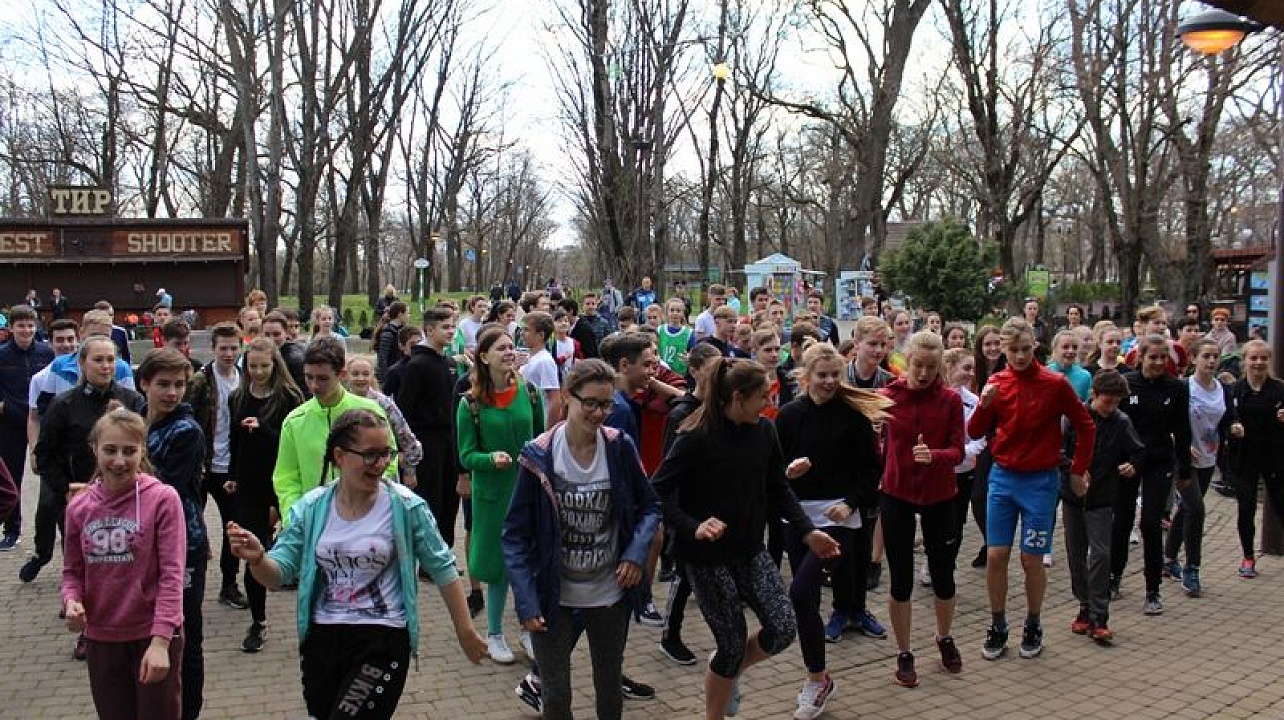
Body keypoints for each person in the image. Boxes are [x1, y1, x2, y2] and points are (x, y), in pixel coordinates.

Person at [226, 409, 488, 720]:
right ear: (340, 455)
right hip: (322, 640)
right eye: (370, 455)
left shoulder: (405, 506)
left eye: (386, 454)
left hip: (382, 639)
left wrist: (465, 631)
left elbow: (443, 568)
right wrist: (258, 559)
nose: (381, 464)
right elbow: (277, 575)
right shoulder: (310, 508)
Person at [651, 358, 840, 720]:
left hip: (750, 549)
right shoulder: (696, 437)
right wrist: (693, 525)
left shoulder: (764, 432)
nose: (768, 404)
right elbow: (656, 491)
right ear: (737, 398)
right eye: (762, 397)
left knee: (783, 627)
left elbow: (778, 486)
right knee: (732, 643)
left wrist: (807, 530)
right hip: (706, 558)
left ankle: (727, 669)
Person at [502, 359, 662, 720]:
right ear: (567, 399)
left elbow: (650, 505)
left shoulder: (619, 446)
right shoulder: (538, 455)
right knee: (556, 695)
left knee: (609, 687)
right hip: (552, 596)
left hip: (609, 591)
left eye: (606, 404)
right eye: (590, 402)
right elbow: (514, 535)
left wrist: (636, 553)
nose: (598, 413)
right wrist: (526, 602)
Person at [968, 317, 1094, 661]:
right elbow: (975, 431)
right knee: (996, 555)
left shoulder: (1055, 384)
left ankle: (1034, 622)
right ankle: (997, 623)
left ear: (1034, 347)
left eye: (1026, 350)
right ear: (1003, 350)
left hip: (1040, 481)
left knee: (1031, 559)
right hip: (1003, 477)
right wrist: (985, 403)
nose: (1020, 357)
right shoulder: (997, 381)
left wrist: (1078, 470)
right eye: (1013, 351)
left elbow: (1085, 425)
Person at [776, 341, 888, 717]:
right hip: (798, 516)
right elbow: (775, 471)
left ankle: (815, 680)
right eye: (821, 375)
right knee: (804, 600)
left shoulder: (853, 415)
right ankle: (818, 678)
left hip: (840, 519)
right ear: (805, 376)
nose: (827, 382)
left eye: (834, 375)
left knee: (801, 589)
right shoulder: (789, 415)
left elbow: (871, 470)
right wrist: (789, 473)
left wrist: (850, 503)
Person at [62, 407, 187, 720]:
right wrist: (72, 600)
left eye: (130, 451)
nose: (119, 461)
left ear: (142, 450)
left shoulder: (163, 499)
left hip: (151, 633)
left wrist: (160, 642)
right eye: (110, 450)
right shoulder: (79, 506)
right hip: (102, 637)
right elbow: (72, 571)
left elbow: (172, 575)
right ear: (94, 450)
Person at [23, 336, 145, 589]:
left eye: (110, 359)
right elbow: (44, 456)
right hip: (80, 495)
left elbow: (145, 448)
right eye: (98, 359)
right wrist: (66, 488)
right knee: (82, 555)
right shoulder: (63, 404)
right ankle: (77, 597)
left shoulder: (132, 400)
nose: (105, 366)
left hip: (125, 494)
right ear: (82, 363)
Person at [879, 332, 965, 687]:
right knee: (901, 579)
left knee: (943, 576)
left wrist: (937, 456)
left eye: (932, 367)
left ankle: (944, 637)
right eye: (918, 365)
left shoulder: (949, 400)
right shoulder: (886, 397)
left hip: (940, 495)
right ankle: (904, 651)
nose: (924, 373)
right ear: (906, 361)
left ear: (940, 366)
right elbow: (869, 444)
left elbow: (959, 450)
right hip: (897, 492)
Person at [456, 325, 544, 664]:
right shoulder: (470, 404)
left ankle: (528, 628)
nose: (510, 352)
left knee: (529, 562)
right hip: (492, 495)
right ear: (483, 356)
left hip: (527, 491)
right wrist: (489, 459)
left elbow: (541, 440)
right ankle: (493, 633)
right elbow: (465, 455)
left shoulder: (531, 393)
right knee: (497, 568)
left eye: (512, 346)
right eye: (501, 348)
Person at [138, 349, 208, 720]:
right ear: (144, 384)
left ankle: (188, 710)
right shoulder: (136, 423)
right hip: (139, 544)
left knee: (186, 633)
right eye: (163, 384)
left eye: (179, 385)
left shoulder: (186, 431)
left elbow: (165, 488)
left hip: (185, 542)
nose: (172, 392)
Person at [227, 337, 303, 652]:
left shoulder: (289, 397)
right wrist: (232, 474)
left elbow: (294, 443)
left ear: (275, 365)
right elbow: (234, 439)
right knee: (251, 552)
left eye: (264, 366)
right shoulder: (238, 396)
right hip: (250, 484)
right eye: (252, 366)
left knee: (297, 547)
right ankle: (258, 621)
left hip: (282, 481)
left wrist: (263, 430)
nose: (258, 372)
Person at [1061, 370, 1145, 645]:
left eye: (1116, 402)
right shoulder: (1073, 418)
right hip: (1074, 497)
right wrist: (1074, 470)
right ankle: (1084, 605)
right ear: (1094, 395)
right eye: (1106, 401)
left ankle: (1100, 614)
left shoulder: (1121, 422)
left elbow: (1138, 451)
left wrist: (1132, 465)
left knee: (1100, 554)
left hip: (1102, 498)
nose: (1111, 407)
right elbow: (1058, 450)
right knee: (1076, 554)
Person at [1112, 334, 1191, 615]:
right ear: (1141, 357)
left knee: (1150, 524)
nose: (1158, 362)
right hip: (1128, 462)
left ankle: (1153, 589)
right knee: (1121, 522)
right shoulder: (1126, 383)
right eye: (1152, 357)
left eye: (1163, 357)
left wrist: (1185, 468)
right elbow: (1113, 426)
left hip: (1159, 461)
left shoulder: (1177, 389)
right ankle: (1114, 577)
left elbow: (1182, 431)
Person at [274, 337, 392, 522]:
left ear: (342, 374)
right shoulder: (294, 421)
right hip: (313, 521)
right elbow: (286, 478)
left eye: (323, 378)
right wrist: (294, 518)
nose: (313, 385)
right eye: (309, 377)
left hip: (365, 517)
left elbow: (388, 462)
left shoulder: (370, 411)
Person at [658, 343, 723, 666]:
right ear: (695, 371)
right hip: (686, 508)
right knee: (684, 573)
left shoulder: (721, 408)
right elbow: (669, 467)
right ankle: (670, 634)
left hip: (712, 502)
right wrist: (675, 516)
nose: (718, 379)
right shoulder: (681, 413)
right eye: (712, 372)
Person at [1162, 339, 1233, 598]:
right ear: (1194, 359)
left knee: (1187, 509)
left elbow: (1227, 419)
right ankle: (1192, 568)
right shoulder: (1184, 388)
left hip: (1209, 457)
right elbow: (1166, 422)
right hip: (1185, 459)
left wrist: (1234, 428)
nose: (1211, 361)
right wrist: (1179, 443)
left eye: (1215, 356)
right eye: (1206, 356)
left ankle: (1168, 559)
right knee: (1197, 510)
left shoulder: (1222, 389)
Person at [184, 322, 248, 610]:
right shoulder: (200, 381)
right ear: (213, 348)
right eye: (223, 348)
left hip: (230, 467)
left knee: (232, 527)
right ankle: (186, 583)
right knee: (190, 527)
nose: (228, 353)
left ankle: (229, 584)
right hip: (201, 465)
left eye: (233, 348)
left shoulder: (244, 377)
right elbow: (187, 418)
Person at [395, 308, 461, 547]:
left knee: (449, 499)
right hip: (426, 441)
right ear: (429, 330)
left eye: (453, 327)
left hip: (449, 439)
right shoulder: (417, 365)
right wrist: (406, 450)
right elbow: (403, 410)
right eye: (445, 327)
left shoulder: (449, 362)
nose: (450, 332)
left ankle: (444, 549)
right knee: (430, 498)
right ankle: (428, 555)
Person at [1226, 339, 1284, 580]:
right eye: (1254, 358)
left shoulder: (1279, 389)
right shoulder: (1234, 390)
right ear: (1245, 361)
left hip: (1275, 457)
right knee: (1246, 508)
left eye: (1263, 358)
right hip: (1244, 458)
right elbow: (1225, 420)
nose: (1258, 363)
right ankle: (1248, 557)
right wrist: (1232, 427)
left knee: (1282, 505)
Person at [0, 304, 54, 549]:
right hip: (10, 422)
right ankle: (12, 530)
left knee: (50, 474)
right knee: (12, 477)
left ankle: (56, 525)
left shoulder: (46, 353)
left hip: (40, 420)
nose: (26, 330)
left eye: (30, 325)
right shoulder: (2, 355)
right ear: (11, 328)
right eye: (21, 325)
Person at [345, 356, 423, 488]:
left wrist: (409, 471)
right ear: (346, 376)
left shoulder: (383, 403)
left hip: (384, 471)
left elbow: (405, 434)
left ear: (372, 376)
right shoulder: (341, 403)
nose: (360, 378)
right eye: (355, 374)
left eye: (365, 374)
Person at [521, 311, 563, 428]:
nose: (522, 334)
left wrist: (547, 430)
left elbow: (555, 400)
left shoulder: (545, 361)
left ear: (541, 335)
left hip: (540, 422)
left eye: (527, 330)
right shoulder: (531, 357)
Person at [1048, 330, 1091, 401]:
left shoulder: (1085, 376)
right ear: (1055, 349)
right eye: (1065, 347)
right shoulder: (1045, 373)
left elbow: (1086, 406)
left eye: (1074, 347)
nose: (1071, 351)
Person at [374, 301, 409, 383]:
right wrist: (385, 378)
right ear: (400, 314)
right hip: (390, 376)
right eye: (407, 313)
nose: (408, 316)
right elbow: (383, 357)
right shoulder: (388, 333)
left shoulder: (399, 330)